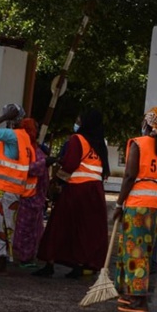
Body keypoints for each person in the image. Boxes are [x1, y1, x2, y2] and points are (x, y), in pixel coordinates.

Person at [34, 109, 109, 278]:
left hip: (76, 189)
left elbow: (70, 164)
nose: (76, 123)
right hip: (95, 191)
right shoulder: (99, 144)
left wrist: (56, 183)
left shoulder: (77, 140)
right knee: (86, 229)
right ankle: (80, 264)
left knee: (59, 226)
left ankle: (49, 264)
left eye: (78, 120)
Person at [113, 107, 157, 312]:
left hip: (138, 202)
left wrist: (119, 204)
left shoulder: (139, 144)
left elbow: (130, 175)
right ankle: (128, 293)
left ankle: (138, 298)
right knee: (144, 249)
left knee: (134, 249)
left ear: (146, 123)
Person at [0, 104, 30, 275]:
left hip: (2, 189)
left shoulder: (10, 135)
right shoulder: (23, 136)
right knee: (6, 225)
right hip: (12, 190)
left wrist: (3, 118)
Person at [12, 118, 49, 267]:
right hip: (27, 194)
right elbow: (26, 168)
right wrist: (45, 163)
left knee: (34, 227)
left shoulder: (34, 147)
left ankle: (30, 255)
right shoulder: (24, 148)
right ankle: (23, 256)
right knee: (24, 228)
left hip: (37, 195)